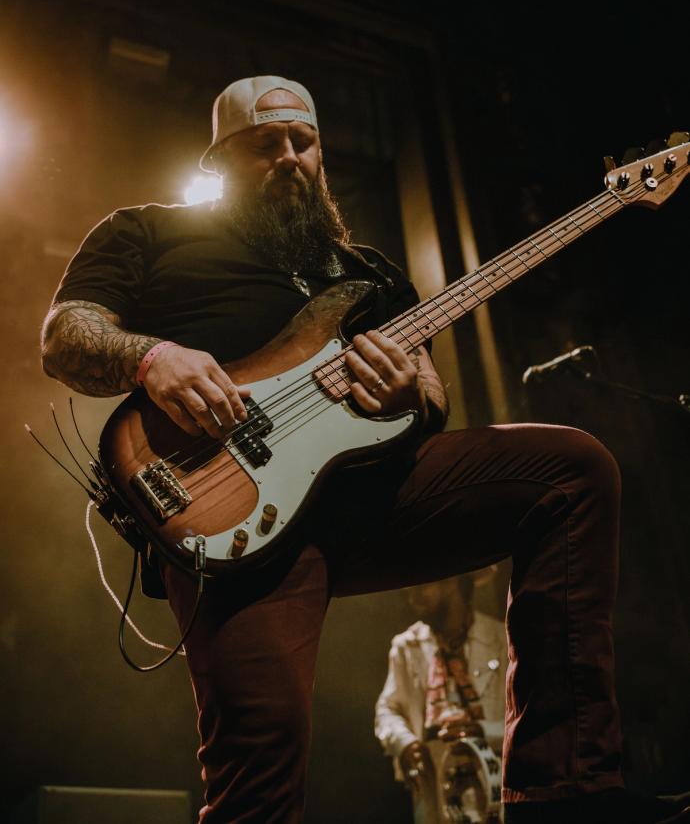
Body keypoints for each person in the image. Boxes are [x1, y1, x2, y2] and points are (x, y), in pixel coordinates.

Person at [40, 75, 690, 824]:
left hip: (376, 498)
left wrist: (410, 393)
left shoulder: (368, 272)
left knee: (571, 471)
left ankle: (563, 793)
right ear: (218, 161)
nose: (288, 157)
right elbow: (66, 336)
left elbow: (433, 395)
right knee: (259, 776)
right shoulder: (147, 231)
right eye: (264, 145)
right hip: (227, 510)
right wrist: (152, 358)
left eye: (302, 142)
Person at [375, 573, 506, 823]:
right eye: (410, 590)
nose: (413, 597)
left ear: (452, 582)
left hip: (494, 781)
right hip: (435, 786)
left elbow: (522, 716)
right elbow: (386, 709)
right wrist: (406, 744)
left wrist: (482, 730)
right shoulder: (406, 646)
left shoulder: (501, 638)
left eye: (423, 585)